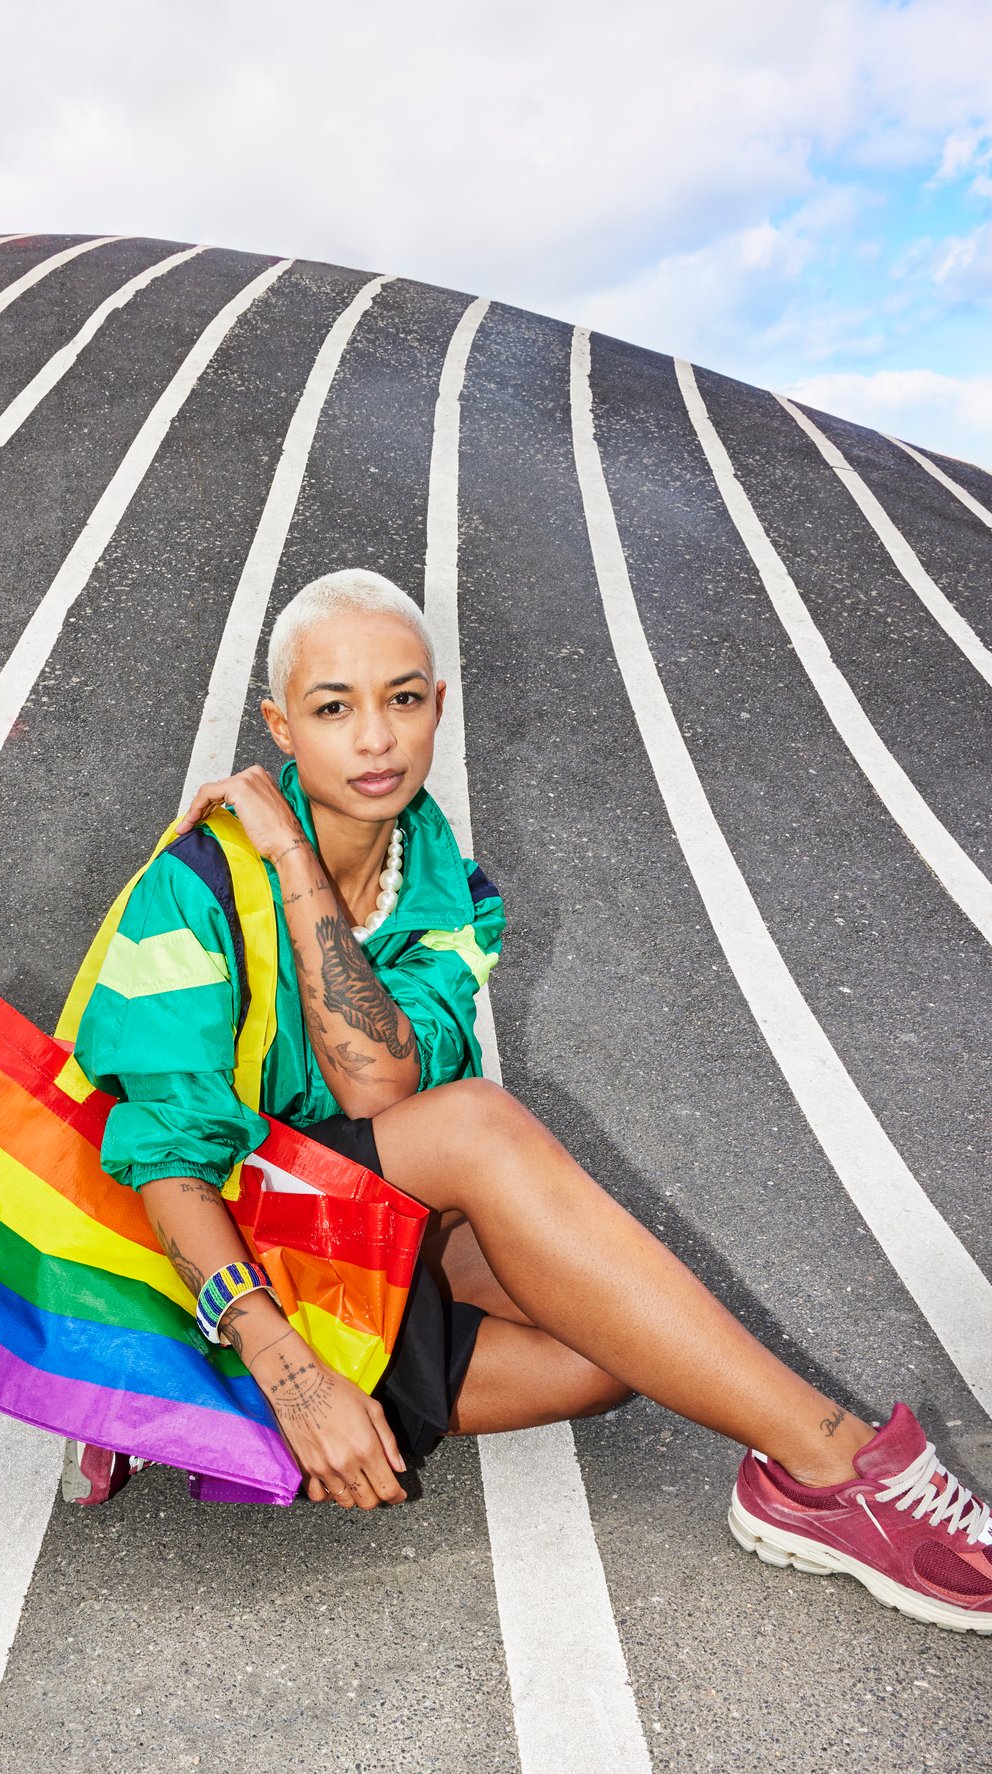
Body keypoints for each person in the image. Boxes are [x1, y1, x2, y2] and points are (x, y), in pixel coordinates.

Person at [72, 567, 992, 1633]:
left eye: (401, 698)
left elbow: (373, 1080)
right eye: (333, 709)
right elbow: (169, 1160)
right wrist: (294, 1376)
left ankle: (188, 1405)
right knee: (475, 1128)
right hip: (191, 1239)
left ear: (437, 707)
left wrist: (293, 856)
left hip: (321, 1219)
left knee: (615, 1351)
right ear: (279, 725)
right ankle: (833, 1466)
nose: (374, 739)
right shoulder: (190, 884)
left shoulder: (447, 891)